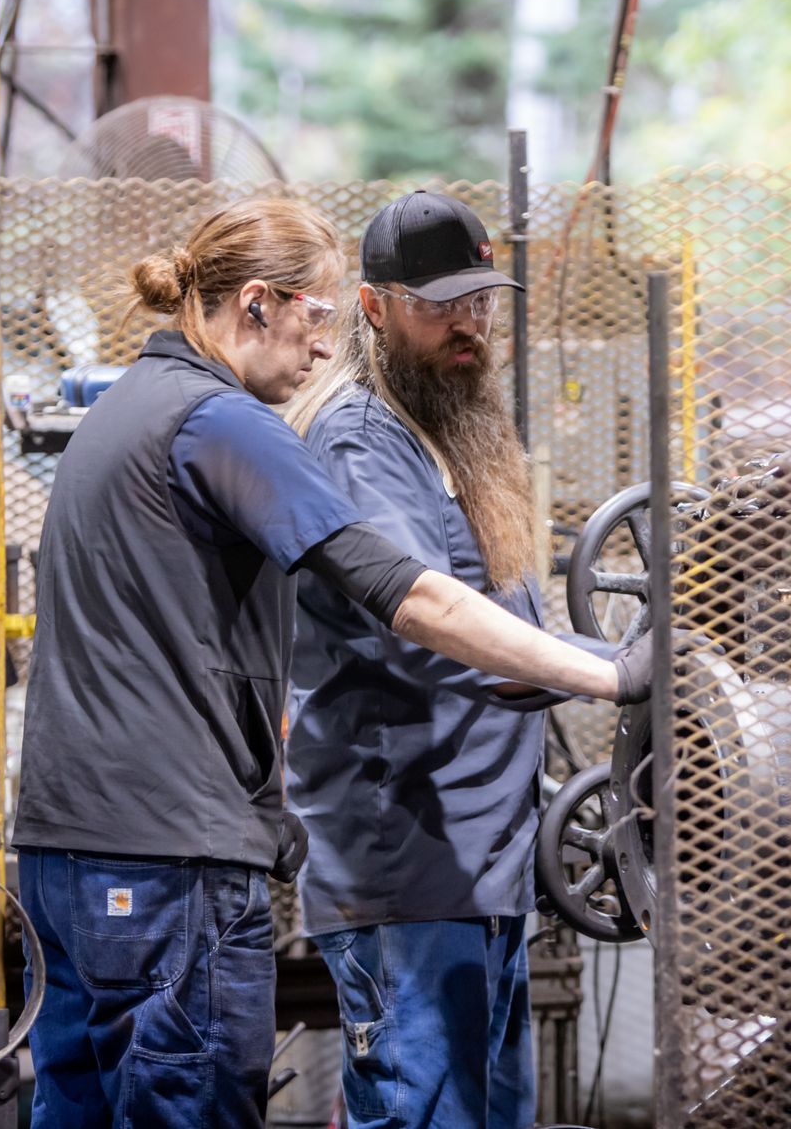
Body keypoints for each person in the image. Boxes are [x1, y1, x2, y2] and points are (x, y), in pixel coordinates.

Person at [11, 198, 656, 1129]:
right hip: (171, 859)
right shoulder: (219, 423)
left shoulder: (130, 412)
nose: (323, 349)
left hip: (80, 849)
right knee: (186, 1108)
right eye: (318, 319)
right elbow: (411, 598)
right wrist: (615, 674)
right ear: (260, 304)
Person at [284, 190, 609, 1129]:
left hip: (483, 867)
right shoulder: (359, 437)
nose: (466, 325)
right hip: (410, 870)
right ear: (374, 308)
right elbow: (431, 619)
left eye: (478, 302)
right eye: (439, 306)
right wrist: (611, 666)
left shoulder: (445, 432)